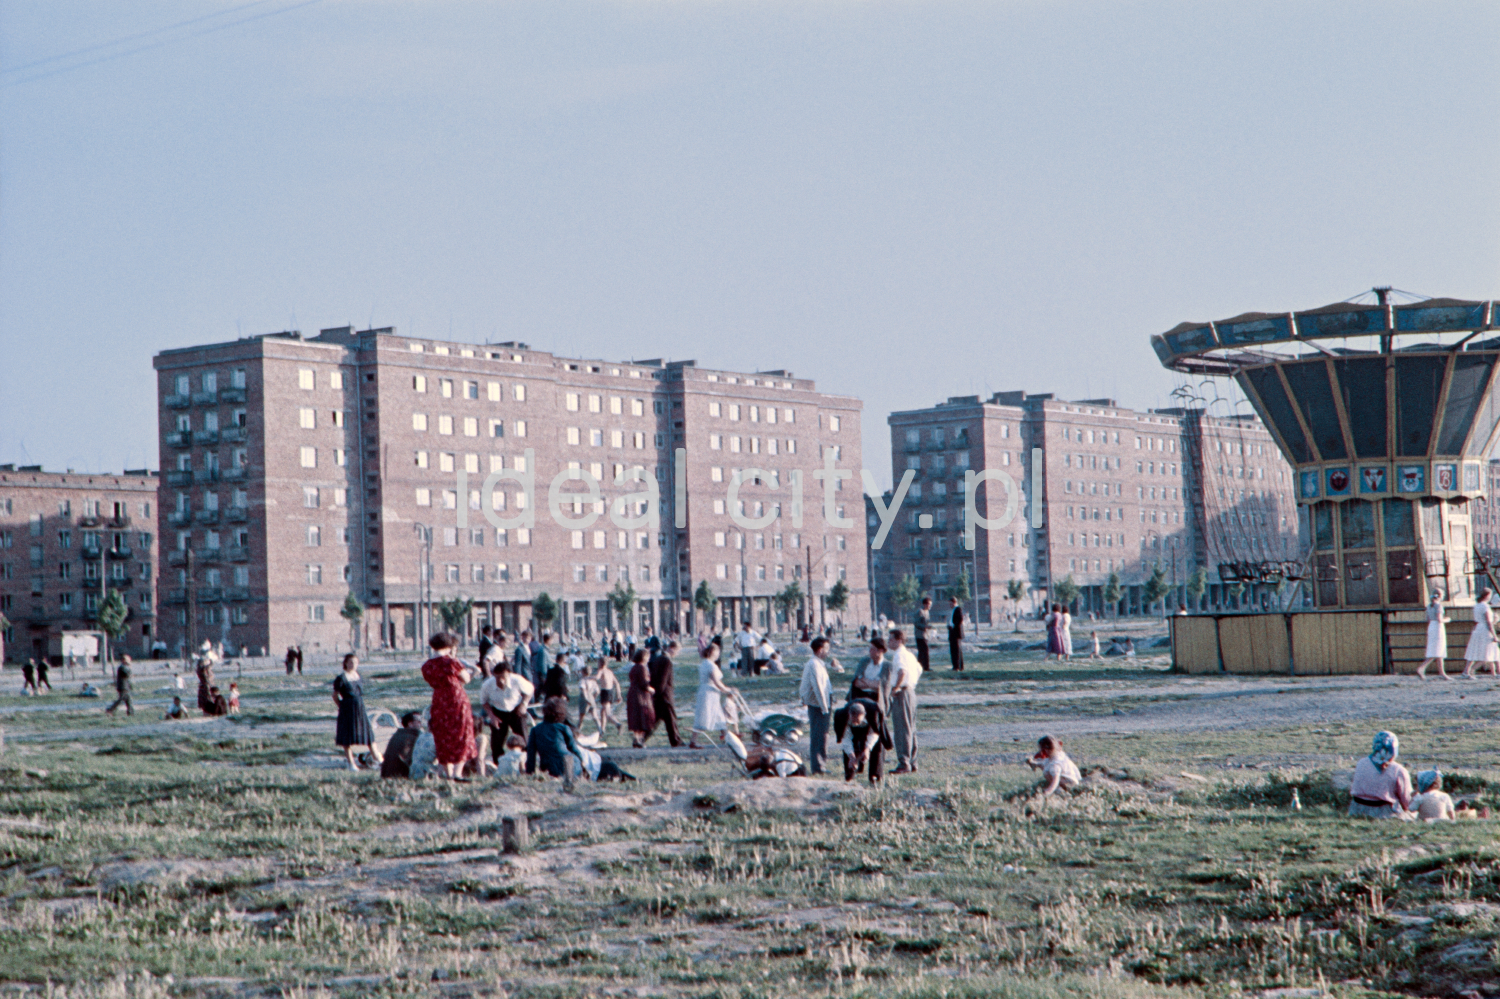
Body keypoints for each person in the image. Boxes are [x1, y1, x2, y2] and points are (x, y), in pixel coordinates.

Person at [421, 632, 476, 781]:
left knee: (443, 733)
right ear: (449, 646)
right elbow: (466, 678)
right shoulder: (452, 662)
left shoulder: (427, 666)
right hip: (456, 698)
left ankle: (448, 772)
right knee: (461, 732)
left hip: (439, 700)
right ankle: (458, 772)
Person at [332, 654, 382, 771]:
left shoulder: (358, 676)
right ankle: (351, 763)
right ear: (345, 663)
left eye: (355, 662)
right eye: (350, 662)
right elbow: (335, 695)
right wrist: (342, 706)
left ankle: (378, 760)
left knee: (368, 735)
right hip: (347, 709)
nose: (353, 664)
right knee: (347, 737)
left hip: (360, 708)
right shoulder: (341, 678)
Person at [479, 659, 533, 765]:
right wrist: (492, 716)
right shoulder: (487, 685)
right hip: (498, 712)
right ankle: (498, 764)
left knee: (523, 737)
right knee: (496, 741)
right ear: (494, 675)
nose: (501, 681)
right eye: (498, 677)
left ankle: (526, 763)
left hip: (516, 710)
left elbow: (530, 690)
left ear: (509, 674)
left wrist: (524, 704)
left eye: (503, 677)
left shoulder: (517, 680)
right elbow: (483, 702)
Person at [1348, 730, 1413, 818]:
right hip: (1382, 812)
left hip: (1356, 810)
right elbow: (1407, 801)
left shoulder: (1361, 763)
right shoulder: (1398, 770)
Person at [689, 643, 736, 749]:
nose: (719, 654)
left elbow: (718, 682)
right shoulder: (710, 665)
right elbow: (716, 682)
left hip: (709, 692)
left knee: (719, 716)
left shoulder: (705, 663)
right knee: (704, 716)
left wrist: (727, 689)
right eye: (717, 651)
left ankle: (728, 739)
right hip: (709, 693)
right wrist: (727, 690)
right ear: (712, 652)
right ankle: (693, 741)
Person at [887, 630, 923, 774]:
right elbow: (919, 669)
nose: (888, 642)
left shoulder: (899, 655)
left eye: (890, 639)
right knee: (911, 728)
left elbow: (902, 672)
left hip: (902, 692)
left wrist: (895, 687)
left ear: (898, 640)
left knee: (902, 729)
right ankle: (913, 762)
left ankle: (904, 763)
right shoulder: (910, 655)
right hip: (911, 692)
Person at [525, 696, 586, 779]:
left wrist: (529, 774)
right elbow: (574, 749)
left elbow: (531, 756)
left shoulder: (535, 730)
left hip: (548, 769)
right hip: (569, 766)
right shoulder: (564, 728)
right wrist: (583, 763)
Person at [834, 699, 891, 784]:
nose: (856, 724)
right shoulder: (841, 716)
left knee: (878, 747)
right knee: (850, 751)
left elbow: (874, 734)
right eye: (853, 721)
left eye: (858, 721)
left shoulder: (874, 713)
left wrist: (867, 749)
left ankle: (875, 778)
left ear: (864, 715)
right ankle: (849, 778)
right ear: (849, 714)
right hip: (852, 731)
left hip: (872, 728)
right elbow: (846, 739)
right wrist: (852, 756)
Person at [799, 637, 834, 774]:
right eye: (826, 649)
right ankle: (818, 767)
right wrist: (824, 707)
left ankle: (820, 765)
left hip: (821, 704)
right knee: (819, 736)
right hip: (818, 705)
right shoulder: (814, 664)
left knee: (822, 735)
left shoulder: (818, 663)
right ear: (820, 650)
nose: (828, 652)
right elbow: (818, 687)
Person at [847, 637, 894, 720]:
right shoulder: (864, 661)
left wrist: (865, 680)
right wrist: (873, 682)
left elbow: (881, 686)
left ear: (880, 651)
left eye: (872, 649)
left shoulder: (888, 666)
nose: (869, 651)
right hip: (860, 696)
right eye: (870, 648)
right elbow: (856, 682)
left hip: (877, 699)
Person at [648, 639, 683, 747]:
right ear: (672, 648)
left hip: (658, 694)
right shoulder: (667, 661)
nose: (677, 654)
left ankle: (639, 739)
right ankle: (676, 741)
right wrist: (658, 693)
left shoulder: (658, 658)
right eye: (677, 651)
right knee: (670, 719)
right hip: (664, 695)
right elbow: (663, 680)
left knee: (656, 721)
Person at [1417, 591, 1450, 679]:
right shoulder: (1438, 606)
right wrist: (1447, 619)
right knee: (1438, 649)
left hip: (1431, 626)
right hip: (1438, 627)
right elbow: (1440, 619)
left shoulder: (1429, 606)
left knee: (1436, 649)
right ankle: (1422, 668)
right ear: (1439, 596)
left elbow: (1428, 619)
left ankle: (1442, 673)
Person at [381, 712, 424, 778]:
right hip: (400, 775)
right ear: (410, 724)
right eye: (418, 721)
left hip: (386, 774)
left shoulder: (397, 734)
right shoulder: (414, 737)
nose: (421, 724)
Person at [594, 656, 622, 733]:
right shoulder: (609, 671)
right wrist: (619, 694)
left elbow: (597, 678)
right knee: (602, 711)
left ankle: (618, 724)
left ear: (600, 663)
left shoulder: (601, 670)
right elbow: (616, 683)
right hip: (610, 692)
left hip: (605, 692)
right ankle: (602, 730)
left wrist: (588, 677)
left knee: (607, 713)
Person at [947, 596, 965, 671]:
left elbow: (960, 619)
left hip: (956, 633)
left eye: (950, 603)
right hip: (952, 632)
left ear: (954, 602)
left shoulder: (958, 609)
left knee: (956, 650)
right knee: (953, 650)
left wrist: (953, 626)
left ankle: (957, 666)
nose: (949, 605)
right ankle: (956, 666)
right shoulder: (953, 610)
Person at [915, 597, 933, 672]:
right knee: (923, 651)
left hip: (925, 635)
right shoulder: (920, 611)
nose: (930, 606)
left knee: (924, 651)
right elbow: (916, 623)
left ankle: (924, 666)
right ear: (924, 604)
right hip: (920, 635)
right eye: (929, 604)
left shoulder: (927, 612)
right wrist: (925, 627)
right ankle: (924, 667)